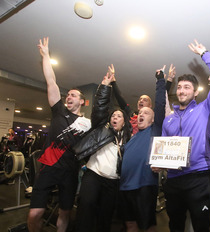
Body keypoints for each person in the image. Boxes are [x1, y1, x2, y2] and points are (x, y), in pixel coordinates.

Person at [160, 40, 210, 232]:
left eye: (187, 87)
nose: (181, 90)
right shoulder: (169, 120)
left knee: (201, 226)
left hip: (197, 178)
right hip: (173, 179)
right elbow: (164, 149)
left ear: (195, 92)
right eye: (179, 87)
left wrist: (204, 53)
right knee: (175, 225)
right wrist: (159, 164)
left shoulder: (206, 109)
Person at [27, 37, 91, 232]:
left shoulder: (86, 124)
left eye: (73, 95)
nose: (68, 97)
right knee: (35, 214)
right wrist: (46, 55)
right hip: (48, 167)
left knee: (64, 213)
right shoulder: (59, 111)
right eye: (67, 95)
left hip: (70, 172)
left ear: (82, 101)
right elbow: (51, 81)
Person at [73, 65, 132, 232]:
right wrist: (105, 87)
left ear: (124, 121)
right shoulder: (102, 127)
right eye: (113, 115)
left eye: (119, 116)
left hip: (113, 182)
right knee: (87, 205)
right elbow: (99, 108)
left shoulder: (128, 139)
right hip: (94, 175)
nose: (115, 117)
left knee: (106, 215)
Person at [119, 67, 166, 232]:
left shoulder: (154, 131)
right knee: (130, 224)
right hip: (125, 187)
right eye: (140, 113)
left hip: (144, 185)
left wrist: (160, 80)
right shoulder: (131, 138)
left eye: (146, 113)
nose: (141, 114)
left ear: (153, 119)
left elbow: (160, 104)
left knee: (147, 226)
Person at [111, 64, 175, 135]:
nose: (141, 101)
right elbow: (120, 99)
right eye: (140, 99)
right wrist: (113, 81)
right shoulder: (131, 115)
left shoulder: (154, 117)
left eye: (145, 100)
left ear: (150, 106)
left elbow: (161, 99)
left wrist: (169, 79)